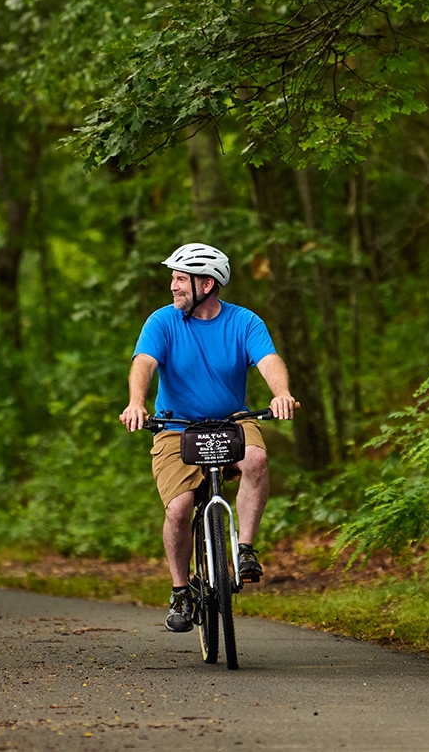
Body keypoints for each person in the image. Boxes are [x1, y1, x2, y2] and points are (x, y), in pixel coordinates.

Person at [119, 243, 298, 633]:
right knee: (180, 509)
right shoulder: (162, 322)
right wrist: (136, 403)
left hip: (231, 420)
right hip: (175, 426)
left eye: (180, 279)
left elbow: (269, 361)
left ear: (207, 284)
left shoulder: (245, 322)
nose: (173, 286)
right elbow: (144, 363)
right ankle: (181, 589)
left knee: (256, 460)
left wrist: (280, 393)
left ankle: (245, 549)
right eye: (174, 279)